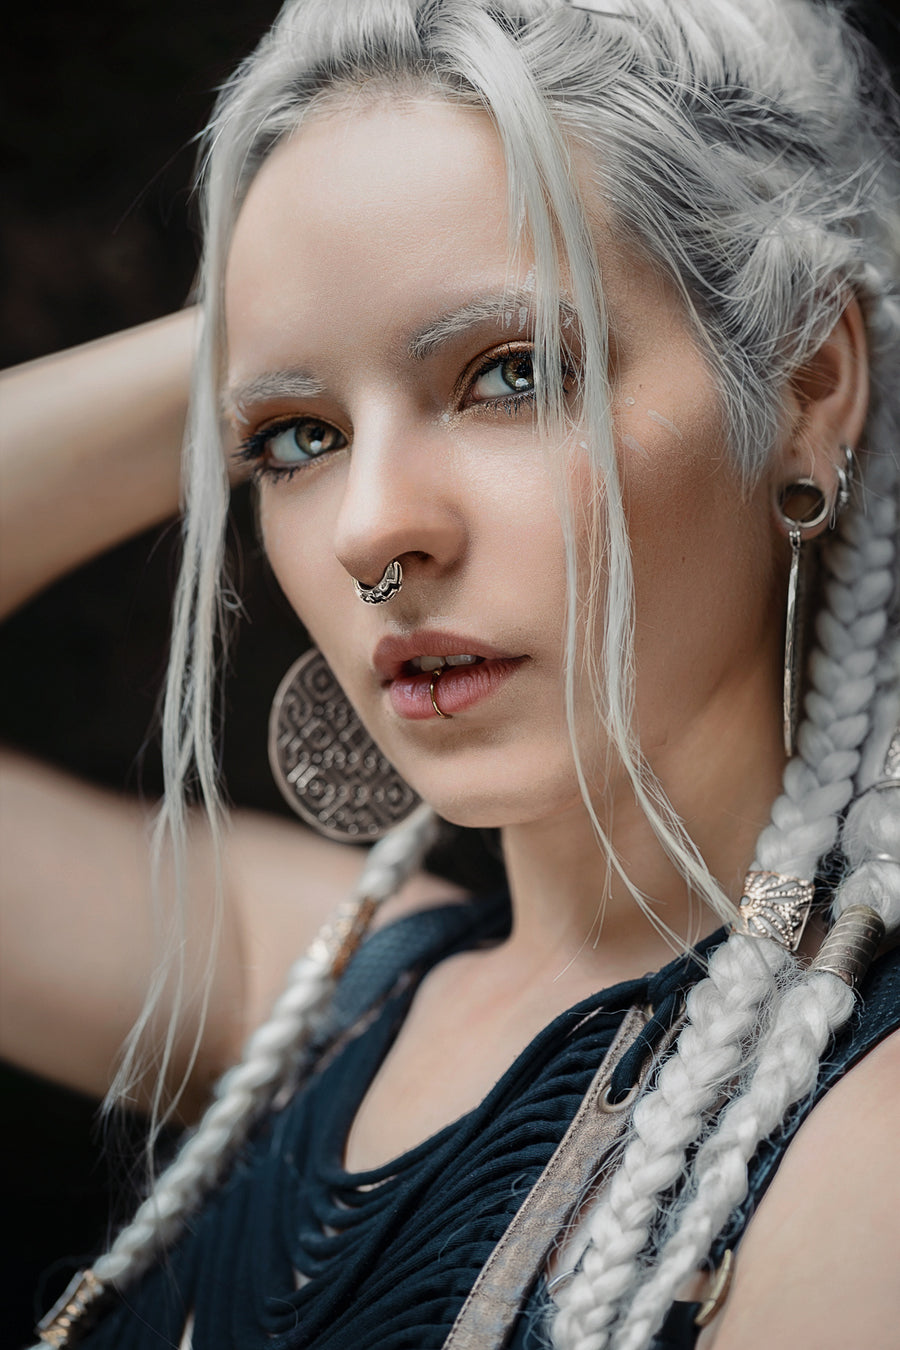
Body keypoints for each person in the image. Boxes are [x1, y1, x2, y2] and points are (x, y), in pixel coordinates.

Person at [2, 0, 898, 1346]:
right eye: (295, 437)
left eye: (512, 371)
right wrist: (264, 322)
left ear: (810, 380)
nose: (370, 529)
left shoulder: (864, 1155)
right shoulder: (319, 983)